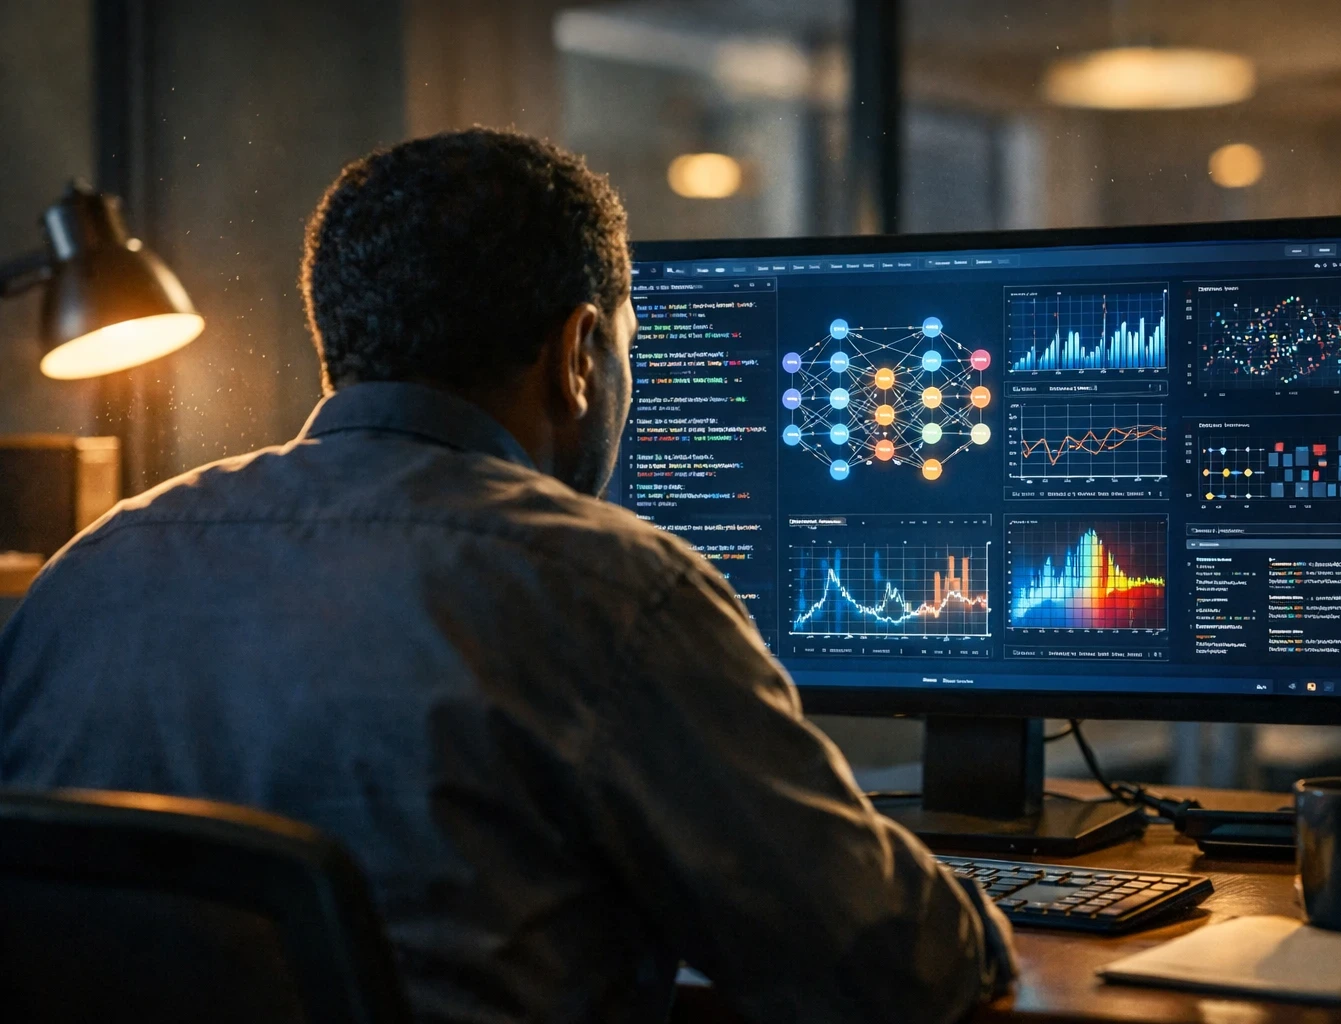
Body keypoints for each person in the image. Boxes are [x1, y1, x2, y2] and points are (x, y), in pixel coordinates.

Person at [0, 128, 1015, 1023]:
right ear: (579, 352)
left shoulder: (87, 576)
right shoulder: (607, 591)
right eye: (626, 350)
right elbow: (892, 972)